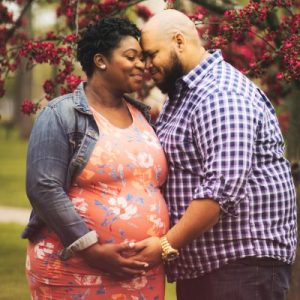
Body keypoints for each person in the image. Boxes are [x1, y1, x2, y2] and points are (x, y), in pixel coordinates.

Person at [131, 9, 297, 300]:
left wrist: (166, 245)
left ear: (179, 42)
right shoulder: (184, 95)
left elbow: (220, 191)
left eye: (151, 54)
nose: (146, 65)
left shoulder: (219, 94)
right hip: (213, 265)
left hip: (241, 265)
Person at [22, 17, 169, 299]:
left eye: (143, 58)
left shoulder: (144, 116)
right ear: (100, 61)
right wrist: (91, 249)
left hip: (141, 272)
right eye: (131, 57)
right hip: (75, 269)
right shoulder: (61, 114)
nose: (142, 65)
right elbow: (43, 188)